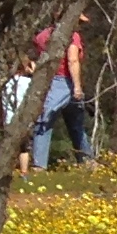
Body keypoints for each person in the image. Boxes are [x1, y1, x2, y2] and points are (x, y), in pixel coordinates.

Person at [29, 25, 90, 169]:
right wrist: (77, 86)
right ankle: (39, 165)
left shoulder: (43, 35)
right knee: (45, 121)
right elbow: (72, 60)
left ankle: (87, 160)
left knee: (75, 123)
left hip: (47, 80)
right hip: (63, 81)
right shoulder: (71, 36)